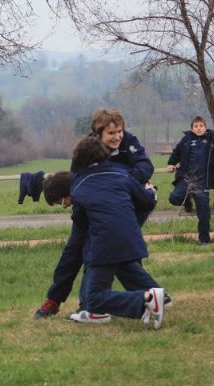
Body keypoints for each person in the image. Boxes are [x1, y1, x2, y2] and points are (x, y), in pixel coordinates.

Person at [34, 108, 154, 319]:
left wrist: (126, 181)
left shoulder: (129, 142)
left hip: (125, 205)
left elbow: (145, 165)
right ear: (98, 134)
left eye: (120, 131)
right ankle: (56, 299)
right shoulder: (85, 150)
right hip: (92, 209)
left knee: (113, 251)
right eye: (111, 133)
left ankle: (94, 306)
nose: (117, 136)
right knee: (77, 250)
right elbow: (76, 181)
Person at [67, 137, 166, 328]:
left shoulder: (79, 186)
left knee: (93, 299)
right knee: (124, 271)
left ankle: (147, 297)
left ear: (80, 160)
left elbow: (79, 220)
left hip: (104, 244)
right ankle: (152, 300)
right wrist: (151, 192)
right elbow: (146, 201)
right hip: (131, 237)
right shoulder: (123, 175)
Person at [166, 116, 214, 244]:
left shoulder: (213, 138)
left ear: (205, 127)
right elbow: (176, 152)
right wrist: (171, 163)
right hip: (186, 178)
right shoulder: (186, 139)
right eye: (196, 126)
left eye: (201, 126)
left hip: (203, 181)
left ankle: (204, 240)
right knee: (174, 198)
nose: (199, 128)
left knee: (203, 213)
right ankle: (187, 201)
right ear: (192, 129)